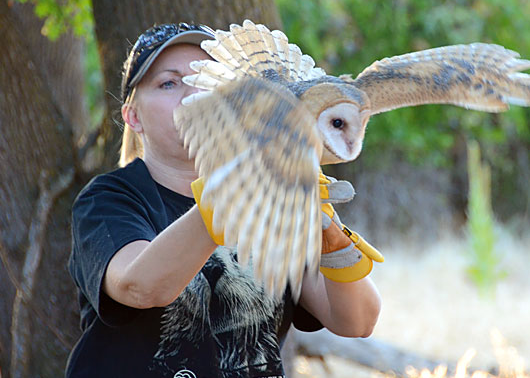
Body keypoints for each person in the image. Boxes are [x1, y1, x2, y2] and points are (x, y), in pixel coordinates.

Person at [66, 22, 382, 378]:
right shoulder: (107, 199)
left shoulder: (276, 199)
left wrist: (331, 234)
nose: (191, 94)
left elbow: (358, 320)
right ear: (133, 117)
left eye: (207, 78)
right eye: (168, 83)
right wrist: (232, 193)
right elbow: (139, 287)